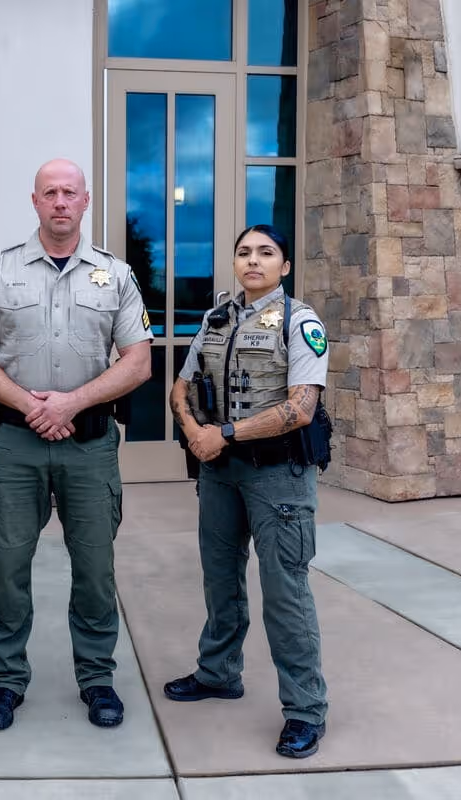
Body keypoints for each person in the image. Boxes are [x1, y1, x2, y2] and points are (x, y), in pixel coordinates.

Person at [0, 158, 152, 731]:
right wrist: (33, 406)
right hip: (16, 445)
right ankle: (5, 682)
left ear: (86, 201)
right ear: (35, 201)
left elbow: (139, 363)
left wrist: (71, 403)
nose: (61, 201)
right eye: (51, 192)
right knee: (9, 566)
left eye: (71, 192)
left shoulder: (115, 276)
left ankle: (97, 679)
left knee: (95, 569)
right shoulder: (0, 271)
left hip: (89, 446)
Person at [165, 224, 330, 759]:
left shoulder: (300, 322)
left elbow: (301, 408)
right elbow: (180, 386)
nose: (252, 261)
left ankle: (305, 710)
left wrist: (225, 434)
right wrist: (194, 433)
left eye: (266, 253)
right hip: (218, 472)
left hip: (278, 476)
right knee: (220, 581)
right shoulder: (216, 319)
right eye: (243, 253)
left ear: (284, 266)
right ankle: (218, 674)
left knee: (285, 594)